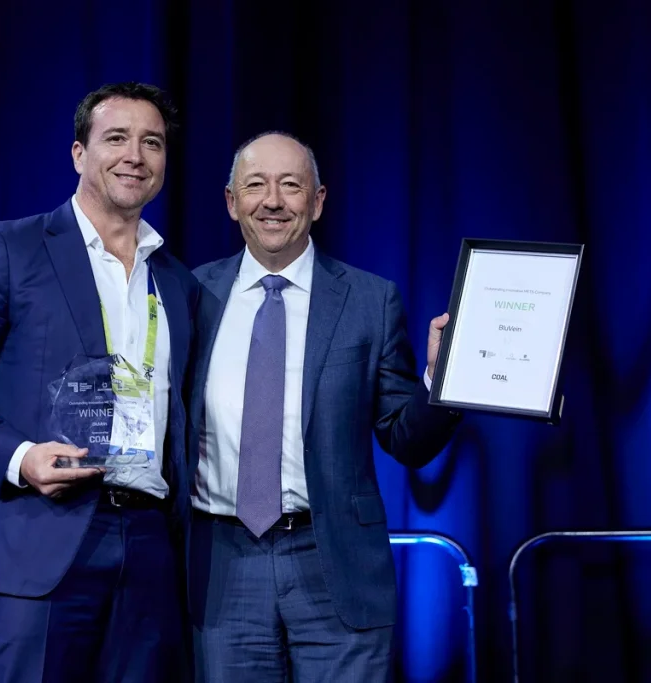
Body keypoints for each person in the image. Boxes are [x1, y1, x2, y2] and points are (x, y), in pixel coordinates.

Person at [0, 82, 198, 683]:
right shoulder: (12, 248)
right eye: (116, 138)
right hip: (38, 533)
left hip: (149, 545)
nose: (134, 156)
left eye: (152, 143)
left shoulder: (177, 281)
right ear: (78, 154)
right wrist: (19, 457)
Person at [187, 131, 462, 682]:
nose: (272, 201)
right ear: (232, 202)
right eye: (256, 186)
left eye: (291, 186)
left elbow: (407, 439)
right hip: (221, 566)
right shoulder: (191, 294)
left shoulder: (370, 300)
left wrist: (442, 378)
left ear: (317, 201)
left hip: (336, 561)